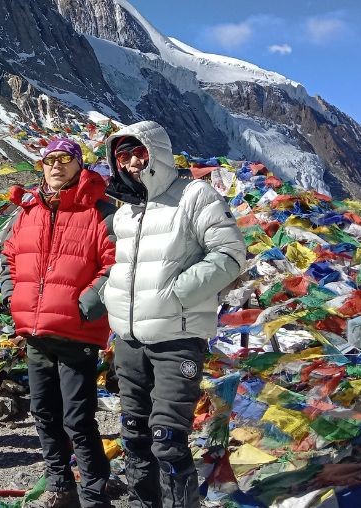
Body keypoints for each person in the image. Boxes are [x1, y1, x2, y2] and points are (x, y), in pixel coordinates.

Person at [95, 121, 246, 508]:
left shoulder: (195, 195)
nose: (129, 162)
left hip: (176, 339)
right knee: (134, 434)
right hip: (128, 340)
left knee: (167, 439)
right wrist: (107, 295)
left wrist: (176, 295)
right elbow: (122, 268)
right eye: (122, 155)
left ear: (156, 153)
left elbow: (230, 254)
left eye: (137, 152)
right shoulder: (126, 212)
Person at [2, 138, 116, 508]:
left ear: (79, 165)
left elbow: (115, 261)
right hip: (35, 330)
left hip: (77, 329)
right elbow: (10, 257)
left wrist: (91, 299)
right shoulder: (29, 211)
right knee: (44, 412)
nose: (56, 166)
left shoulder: (99, 209)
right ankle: (59, 484)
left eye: (64, 159)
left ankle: (94, 492)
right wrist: (10, 293)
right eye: (50, 160)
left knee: (78, 418)